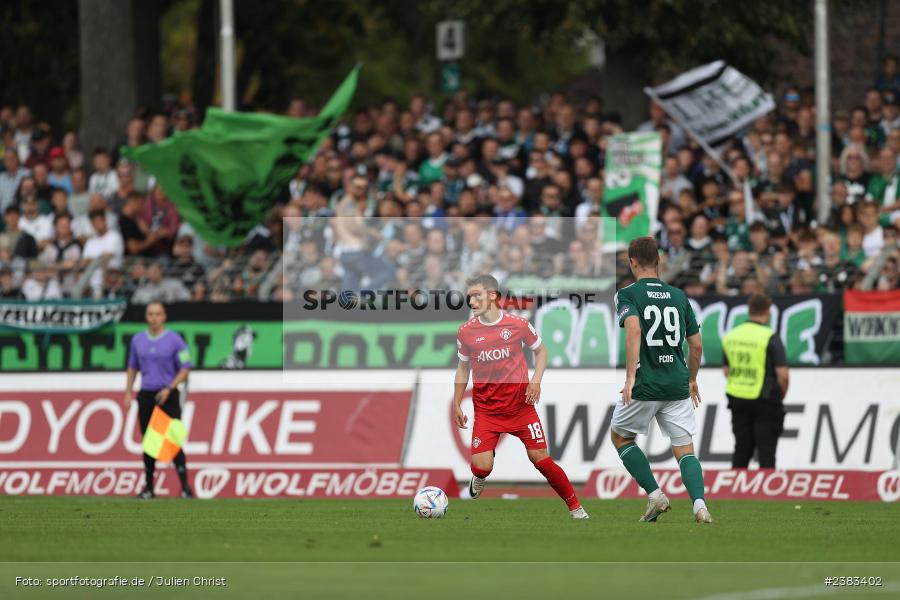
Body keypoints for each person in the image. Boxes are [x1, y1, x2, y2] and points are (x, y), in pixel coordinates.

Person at [454, 274, 588, 519]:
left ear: (492, 295)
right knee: (481, 467)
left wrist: (535, 381)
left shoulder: (518, 325)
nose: (471, 302)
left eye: (477, 296)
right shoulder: (466, 332)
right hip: (487, 410)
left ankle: (576, 508)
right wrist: (456, 403)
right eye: (469, 297)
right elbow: (463, 367)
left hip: (521, 408)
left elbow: (542, 352)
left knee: (541, 458)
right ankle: (479, 476)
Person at [612, 236, 711, 523]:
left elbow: (633, 331)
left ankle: (656, 495)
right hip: (677, 384)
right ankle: (700, 506)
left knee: (620, 437)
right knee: (684, 449)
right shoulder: (679, 296)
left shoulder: (627, 294)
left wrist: (631, 375)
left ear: (632, 262)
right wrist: (692, 379)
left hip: (647, 383)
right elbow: (697, 346)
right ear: (659, 261)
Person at [124, 302, 194, 499]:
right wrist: (128, 392)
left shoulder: (175, 340)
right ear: (146, 316)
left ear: (164, 317)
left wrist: (170, 387)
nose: (154, 318)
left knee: (172, 440)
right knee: (149, 442)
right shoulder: (138, 340)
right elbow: (132, 367)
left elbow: (185, 366)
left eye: (158, 314)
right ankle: (149, 487)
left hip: (168, 395)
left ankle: (185, 488)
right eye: (150, 314)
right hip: (146, 394)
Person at [722, 293, 789, 469]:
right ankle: (766, 494)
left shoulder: (731, 336)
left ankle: (735, 492)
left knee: (741, 449)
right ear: (767, 312)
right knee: (766, 452)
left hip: (737, 398)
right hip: (765, 399)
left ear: (749, 311)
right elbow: (783, 375)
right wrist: (780, 395)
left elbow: (726, 370)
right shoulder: (770, 336)